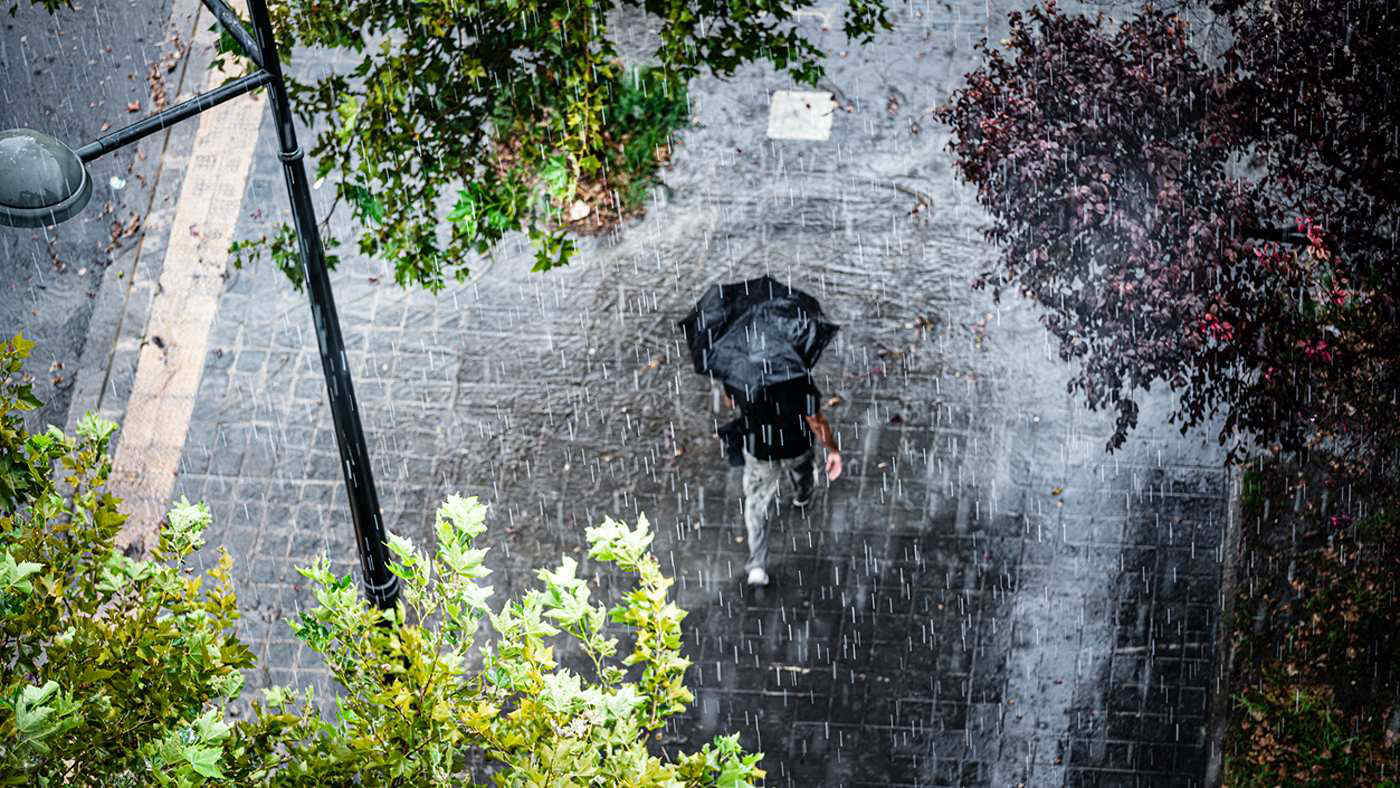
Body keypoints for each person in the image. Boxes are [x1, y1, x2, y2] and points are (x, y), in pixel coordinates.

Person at [723, 374, 842, 586]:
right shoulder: (796, 376)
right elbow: (815, 420)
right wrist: (832, 449)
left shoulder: (737, 371)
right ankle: (803, 496)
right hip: (796, 443)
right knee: (802, 471)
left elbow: (730, 402)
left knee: (757, 504)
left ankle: (758, 565)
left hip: (759, 448)